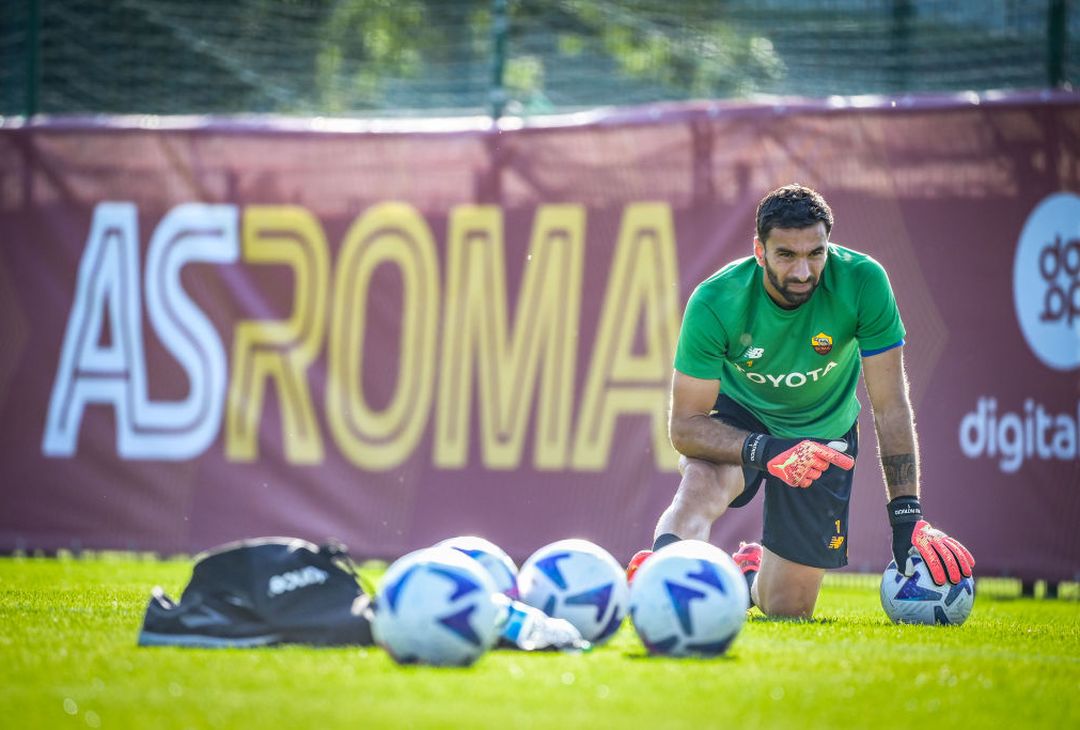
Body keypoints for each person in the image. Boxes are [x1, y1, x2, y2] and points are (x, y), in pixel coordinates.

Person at [627, 184, 974, 618]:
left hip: (824, 432)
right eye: (786, 255)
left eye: (816, 253)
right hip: (743, 419)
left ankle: (747, 579)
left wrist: (907, 517)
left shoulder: (864, 282)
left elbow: (890, 407)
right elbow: (685, 427)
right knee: (703, 482)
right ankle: (660, 574)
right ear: (759, 250)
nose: (804, 272)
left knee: (786, 610)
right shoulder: (715, 301)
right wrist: (770, 452)